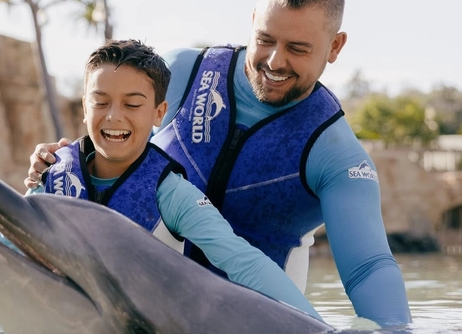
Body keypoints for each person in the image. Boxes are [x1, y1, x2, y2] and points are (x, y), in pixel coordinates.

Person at [27, 0, 411, 326]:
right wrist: (64, 162)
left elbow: (368, 269)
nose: (275, 61)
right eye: (265, 39)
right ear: (252, 23)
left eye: (298, 48)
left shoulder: (336, 155)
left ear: (335, 46)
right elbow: (114, 127)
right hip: (140, 309)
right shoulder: (182, 72)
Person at [32, 38, 321, 318]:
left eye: (132, 105)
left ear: (159, 113)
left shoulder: (170, 193)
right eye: (100, 102)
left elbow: (242, 260)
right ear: (84, 107)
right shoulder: (54, 175)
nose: (114, 117)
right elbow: (4, 247)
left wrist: (320, 330)